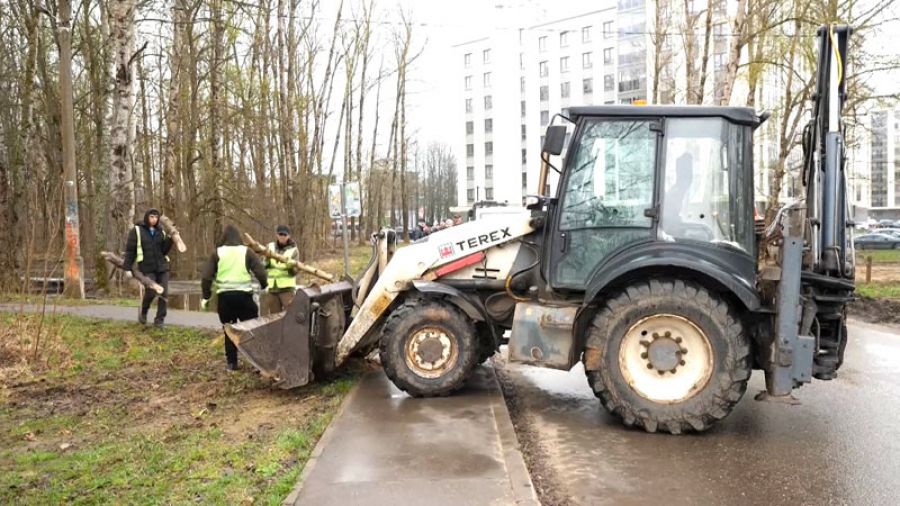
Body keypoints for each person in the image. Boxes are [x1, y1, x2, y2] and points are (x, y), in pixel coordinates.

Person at [200, 224, 268, 371]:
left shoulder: (217, 253)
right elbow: (260, 271)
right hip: (244, 297)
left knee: (229, 330)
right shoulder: (247, 251)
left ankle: (232, 363)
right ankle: (256, 363)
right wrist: (264, 285)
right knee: (251, 329)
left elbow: (206, 277)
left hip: (225, 299)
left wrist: (206, 296)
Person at [123, 208, 173, 327]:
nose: (154, 219)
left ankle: (159, 320)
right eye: (151, 217)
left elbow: (164, 250)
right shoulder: (137, 231)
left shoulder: (160, 231)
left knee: (164, 293)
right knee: (151, 292)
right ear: (147, 217)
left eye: (156, 217)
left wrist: (170, 239)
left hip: (162, 267)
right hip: (147, 268)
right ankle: (144, 311)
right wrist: (127, 268)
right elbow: (130, 251)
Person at [262, 225, 299, 316]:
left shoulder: (294, 250)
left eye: (284, 235)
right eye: (280, 234)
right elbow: (264, 265)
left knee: (290, 315)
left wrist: (290, 266)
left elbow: (295, 271)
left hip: (287, 290)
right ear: (277, 235)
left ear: (288, 236)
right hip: (272, 289)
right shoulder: (269, 247)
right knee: (274, 318)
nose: (282, 237)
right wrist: (266, 261)